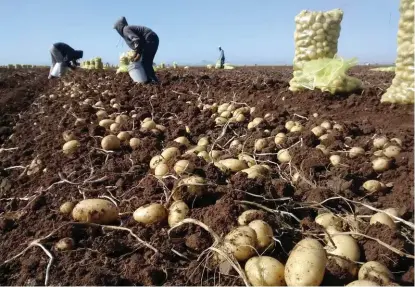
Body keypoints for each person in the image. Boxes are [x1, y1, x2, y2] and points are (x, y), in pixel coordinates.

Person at [113, 16, 159, 84]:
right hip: (151, 38)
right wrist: (136, 54)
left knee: (146, 61)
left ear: (119, 27)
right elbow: (139, 43)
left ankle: (153, 80)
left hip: (150, 38)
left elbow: (136, 40)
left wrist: (138, 54)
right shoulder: (127, 29)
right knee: (146, 61)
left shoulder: (126, 29)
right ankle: (150, 79)